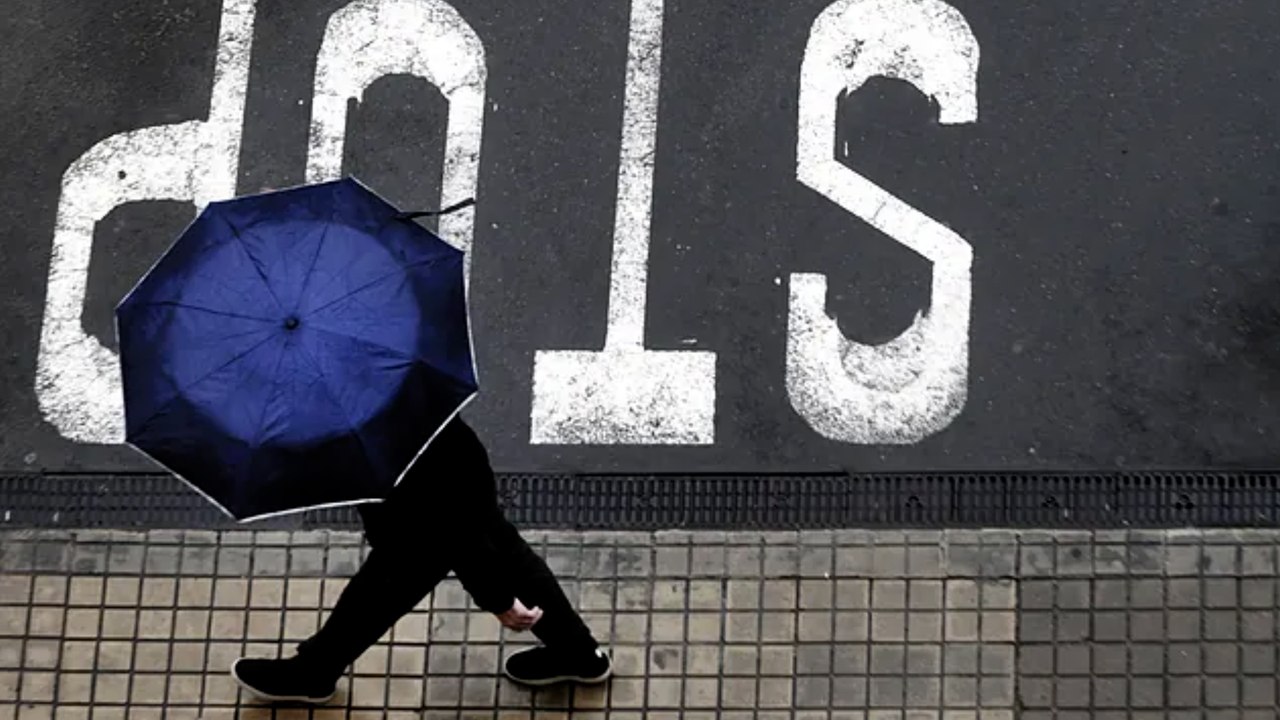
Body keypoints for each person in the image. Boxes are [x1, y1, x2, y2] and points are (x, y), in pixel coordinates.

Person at [230, 416, 612, 704]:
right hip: (455, 465)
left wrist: (497, 600)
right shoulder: (383, 350)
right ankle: (577, 653)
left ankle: (313, 672)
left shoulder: (369, 424)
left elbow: (451, 529)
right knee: (491, 543)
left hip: (420, 501)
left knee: (397, 571)